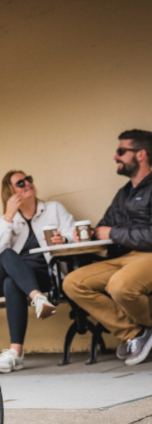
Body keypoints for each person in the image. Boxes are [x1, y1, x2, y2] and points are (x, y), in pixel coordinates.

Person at [63, 130, 152, 366]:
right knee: (72, 282)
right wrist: (87, 234)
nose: (115, 157)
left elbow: (114, 231)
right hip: (123, 258)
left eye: (121, 151)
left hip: (148, 255)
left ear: (141, 154)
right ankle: (135, 333)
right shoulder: (123, 194)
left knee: (119, 285)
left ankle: (146, 328)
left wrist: (113, 233)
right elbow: (105, 226)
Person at [0, 171, 76, 373]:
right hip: (1, 280)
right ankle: (38, 298)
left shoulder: (54, 209)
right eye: (20, 183)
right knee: (7, 254)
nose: (27, 184)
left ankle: (16, 353)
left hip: (44, 276)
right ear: (10, 193)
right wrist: (9, 217)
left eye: (28, 179)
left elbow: (73, 234)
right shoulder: (4, 220)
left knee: (12, 282)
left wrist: (64, 240)